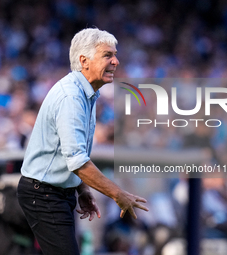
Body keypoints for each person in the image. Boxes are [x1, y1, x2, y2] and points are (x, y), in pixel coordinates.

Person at [17, 28, 149, 255]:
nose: (116, 61)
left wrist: (82, 190)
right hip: (44, 194)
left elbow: (70, 154)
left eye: (114, 55)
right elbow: (78, 162)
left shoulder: (85, 93)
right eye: (107, 55)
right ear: (84, 61)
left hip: (56, 192)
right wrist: (119, 195)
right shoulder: (71, 97)